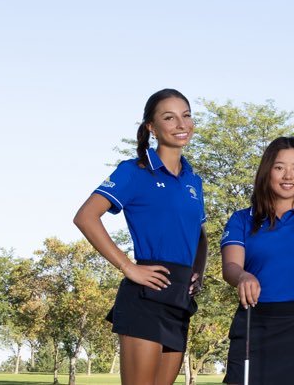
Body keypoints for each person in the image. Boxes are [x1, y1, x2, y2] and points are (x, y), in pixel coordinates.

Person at [73, 88, 206, 385]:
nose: (181, 124)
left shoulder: (193, 180)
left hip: (180, 299)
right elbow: (85, 217)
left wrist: (200, 270)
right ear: (152, 127)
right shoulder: (133, 172)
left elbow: (199, 234)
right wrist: (127, 267)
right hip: (145, 298)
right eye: (169, 118)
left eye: (186, 116)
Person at [219, 137, 294, 384]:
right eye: (279, 167)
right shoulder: (242, 219)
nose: (288, 176)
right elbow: (231, 267)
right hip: (255, 323)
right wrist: (243, 275)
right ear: (267, 171)